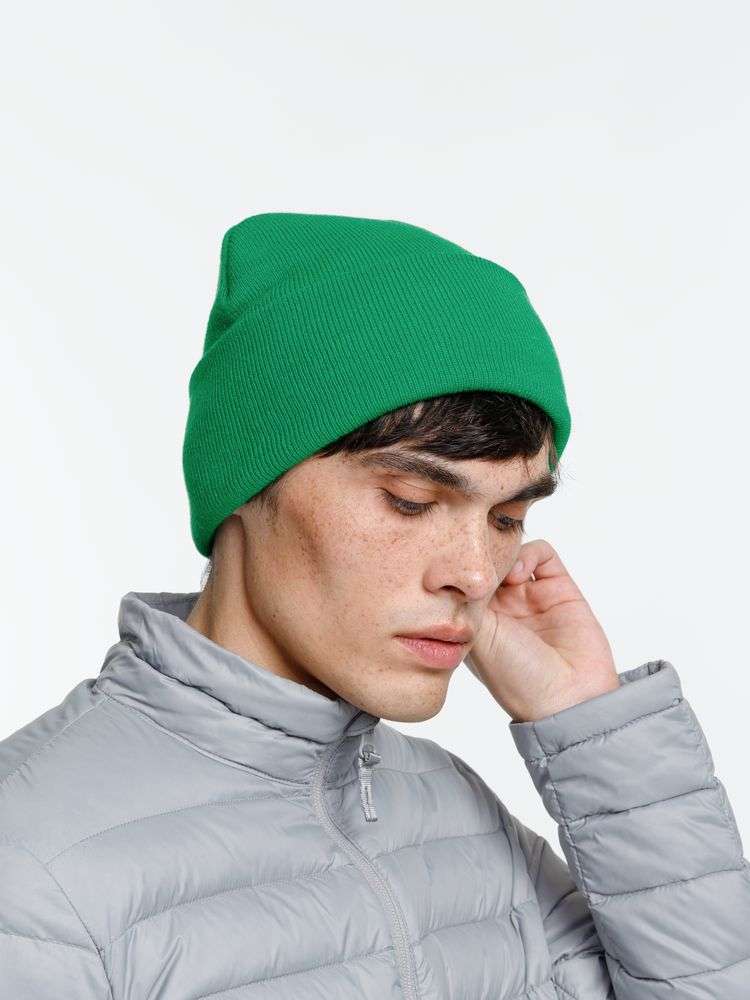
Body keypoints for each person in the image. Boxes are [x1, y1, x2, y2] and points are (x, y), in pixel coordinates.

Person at [1, 212, 747, 999]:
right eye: (410, 500)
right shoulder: (31, 870)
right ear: (247, 482)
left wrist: (589, 725)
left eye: (506, 518)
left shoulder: (456, 816)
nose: (476, 573)